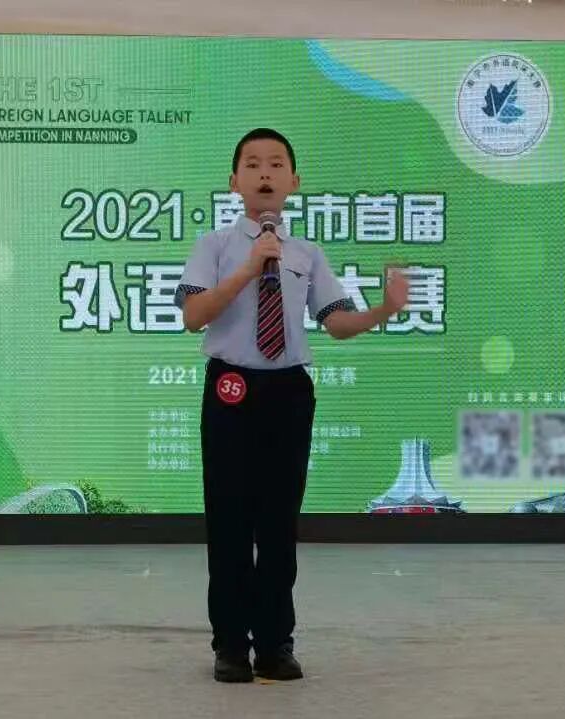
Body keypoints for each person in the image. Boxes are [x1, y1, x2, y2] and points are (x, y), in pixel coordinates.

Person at [175, 128, 409, 683]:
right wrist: (249, 268)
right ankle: (231, 646)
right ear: (234, 182)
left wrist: (384, 310)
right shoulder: (214, 247)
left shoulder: (307, 254)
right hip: (231, 388)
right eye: (253, 164)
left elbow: (337, 323)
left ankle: (275, 644)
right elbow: (193, 316)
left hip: (288, 391)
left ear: (294, 182)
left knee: (279, 524)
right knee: (230, 522)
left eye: (276, 164)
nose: (265, 173)